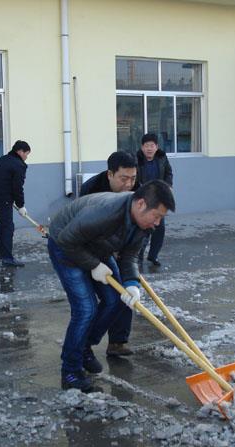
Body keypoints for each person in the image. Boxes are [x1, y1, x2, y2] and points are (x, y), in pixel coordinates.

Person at [48, 181, 175, 392]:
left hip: (97, 246)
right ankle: (70, 371)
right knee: (85, 309)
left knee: (117, 299)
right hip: (65, 245)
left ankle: (84, 347)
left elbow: (130, 255)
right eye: (156, 216)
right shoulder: (105, 212)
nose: (157, 223)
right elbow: (67, 240)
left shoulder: (144, 223)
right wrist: (94, 265)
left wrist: (132, 284)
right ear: (141, 204)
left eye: (162, 217)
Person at [79, 151, 138, 357]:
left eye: (133, 178)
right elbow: (84, 229)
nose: (129, 184)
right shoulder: (91, 190)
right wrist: (109, 248)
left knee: (126, 292)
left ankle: (117, 342)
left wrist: (127, 252)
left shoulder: (137, 190)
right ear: (110, 174)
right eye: (123, 179)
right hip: (89, 250)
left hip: (120, 247)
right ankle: (83, 343)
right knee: (102, 301)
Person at [0, 140, 31, 267]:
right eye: (26, 154)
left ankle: (2, 254)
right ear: (20, 152)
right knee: (7, 227)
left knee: (3, 224)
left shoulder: (2, 159)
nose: (26, 157)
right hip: (3, 198)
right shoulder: (18, 165)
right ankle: (7, 258)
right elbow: (18, 187)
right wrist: (21, 205)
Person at [136, 133, 174, 266]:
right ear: (142, 147)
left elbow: (169, 173)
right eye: (147, 146)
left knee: (159, 228)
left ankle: (153, 256)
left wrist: (167, 186)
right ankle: (138, 256)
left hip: (159, 198)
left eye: (152, 146)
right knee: (143, 229)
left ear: (156, 147)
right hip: (143, 198)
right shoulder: (137, 159)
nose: (149, 149)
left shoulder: (162, 158)